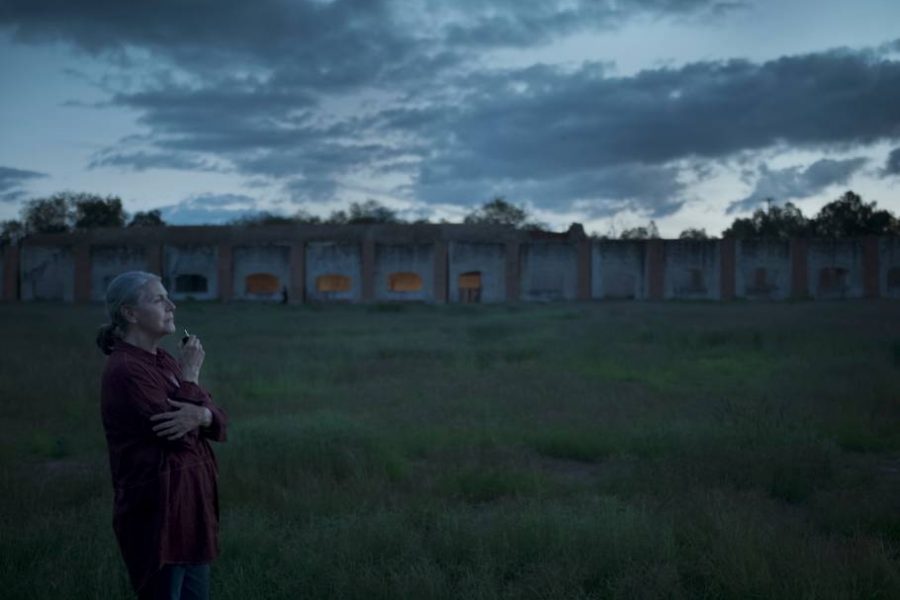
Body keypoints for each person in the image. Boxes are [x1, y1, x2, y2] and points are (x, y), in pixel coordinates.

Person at [96, 271, 228, 600]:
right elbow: (178, 438)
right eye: (158, 299)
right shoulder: (127, 369)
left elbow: (218, 421)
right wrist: (192, 375)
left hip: (191, 512)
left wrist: (204, 415)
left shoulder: (165, 360)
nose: (171, 305)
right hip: (157, 517)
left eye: (168, 297)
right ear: (130, 313)